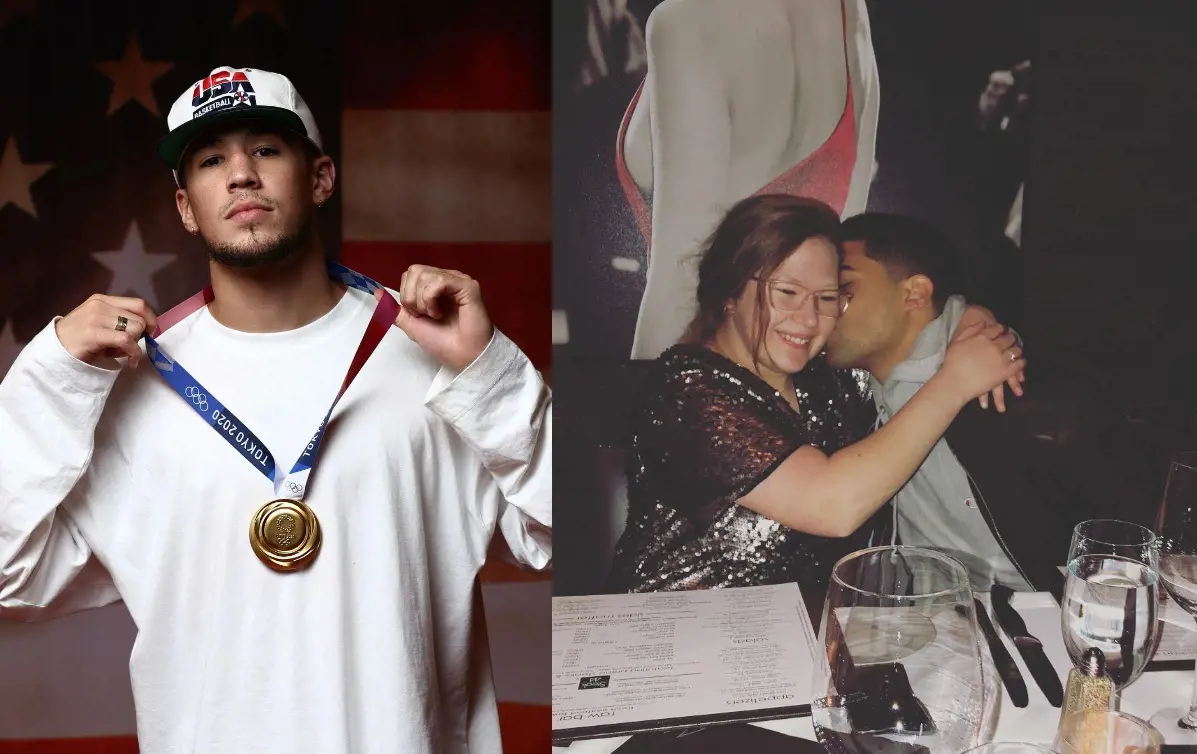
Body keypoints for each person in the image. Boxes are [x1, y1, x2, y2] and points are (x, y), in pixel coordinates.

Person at [0, 66, 551, 753]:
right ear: (185, 207)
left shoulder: (428, 351)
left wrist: (488, 369)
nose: (240, 174)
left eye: (264, 149)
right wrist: (49, 373)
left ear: (320, 178)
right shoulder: (131, 385)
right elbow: (10, 580)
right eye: (210, 159)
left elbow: (561, 532)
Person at [605, 195, 1022, 613]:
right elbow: (831, 506)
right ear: (729, 293)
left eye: (827, 298)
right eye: (787, 292)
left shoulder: (830, 379)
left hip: (796, 637)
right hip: (670, 635)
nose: (808, 319)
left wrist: (969, 321)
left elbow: (911, 342)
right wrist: (955, 382)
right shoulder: (687, 386)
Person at [824, 212, 1136, 593]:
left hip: (1035, 628)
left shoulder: (1021, 398)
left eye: (843, 288)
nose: (823, 308)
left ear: (915, 293)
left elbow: (1128, 542)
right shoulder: (849, 395)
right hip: (919, 621)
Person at [615, 0, 880, 361]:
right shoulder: (849, 12)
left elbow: (680, 282)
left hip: (702, 388)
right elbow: (844, 256)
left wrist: (633, 410)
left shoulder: (689, 21)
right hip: (800, 381)